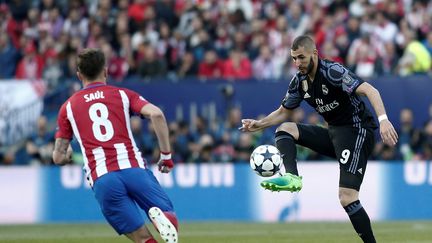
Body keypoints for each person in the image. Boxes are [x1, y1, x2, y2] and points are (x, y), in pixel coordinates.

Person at [239, 35, 398, 243]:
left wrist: (384, 120)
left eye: (301, 58)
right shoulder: (299, 81)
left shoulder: (332, 72)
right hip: (335, 134)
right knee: (285, 129)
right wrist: (259, 125)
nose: (297, 63)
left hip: (358, 131)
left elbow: (370, 90)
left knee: (347, 196)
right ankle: (292, 178)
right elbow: (283, 112)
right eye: (294, 58)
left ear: (314, 53)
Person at [52, 48, 178, 243]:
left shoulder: (67, 107)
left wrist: (67, 153)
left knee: (142, 238)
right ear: (105, 71)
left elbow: (58, 157)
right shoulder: (122, 95)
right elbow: (157, 114)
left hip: (103, 177)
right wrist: (166, 156)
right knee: (169, 216)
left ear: (79, 75)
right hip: (134, 168)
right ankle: (162, 218)